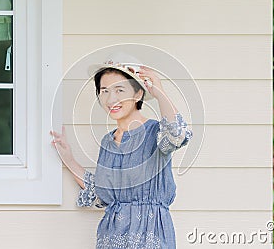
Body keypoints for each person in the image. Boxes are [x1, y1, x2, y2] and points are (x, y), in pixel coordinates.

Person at [50, 52, 193, 248]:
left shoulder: (155, 133)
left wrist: (158, 90)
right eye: (105, 91)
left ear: (138, 93)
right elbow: (100, 193)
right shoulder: (107, 142)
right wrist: (68, 158)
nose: (111, 99)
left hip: (150, 235)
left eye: (119, 90)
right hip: (111, 237)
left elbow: (178, 133)